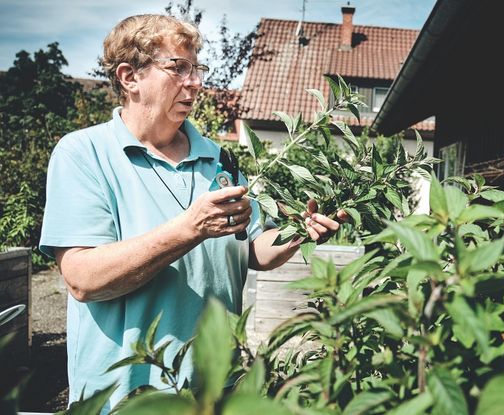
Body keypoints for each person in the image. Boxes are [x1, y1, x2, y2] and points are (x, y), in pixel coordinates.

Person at [39, 14, 345, 411]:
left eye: (196, 68)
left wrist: (298, 232)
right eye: (178, 68)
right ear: (130, 77)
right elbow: (83, 278)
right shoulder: (83, 154)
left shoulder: (219, 158)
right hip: (125, 394)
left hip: (216, 385)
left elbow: (252, 248)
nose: (195, 82)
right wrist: (189, 228)